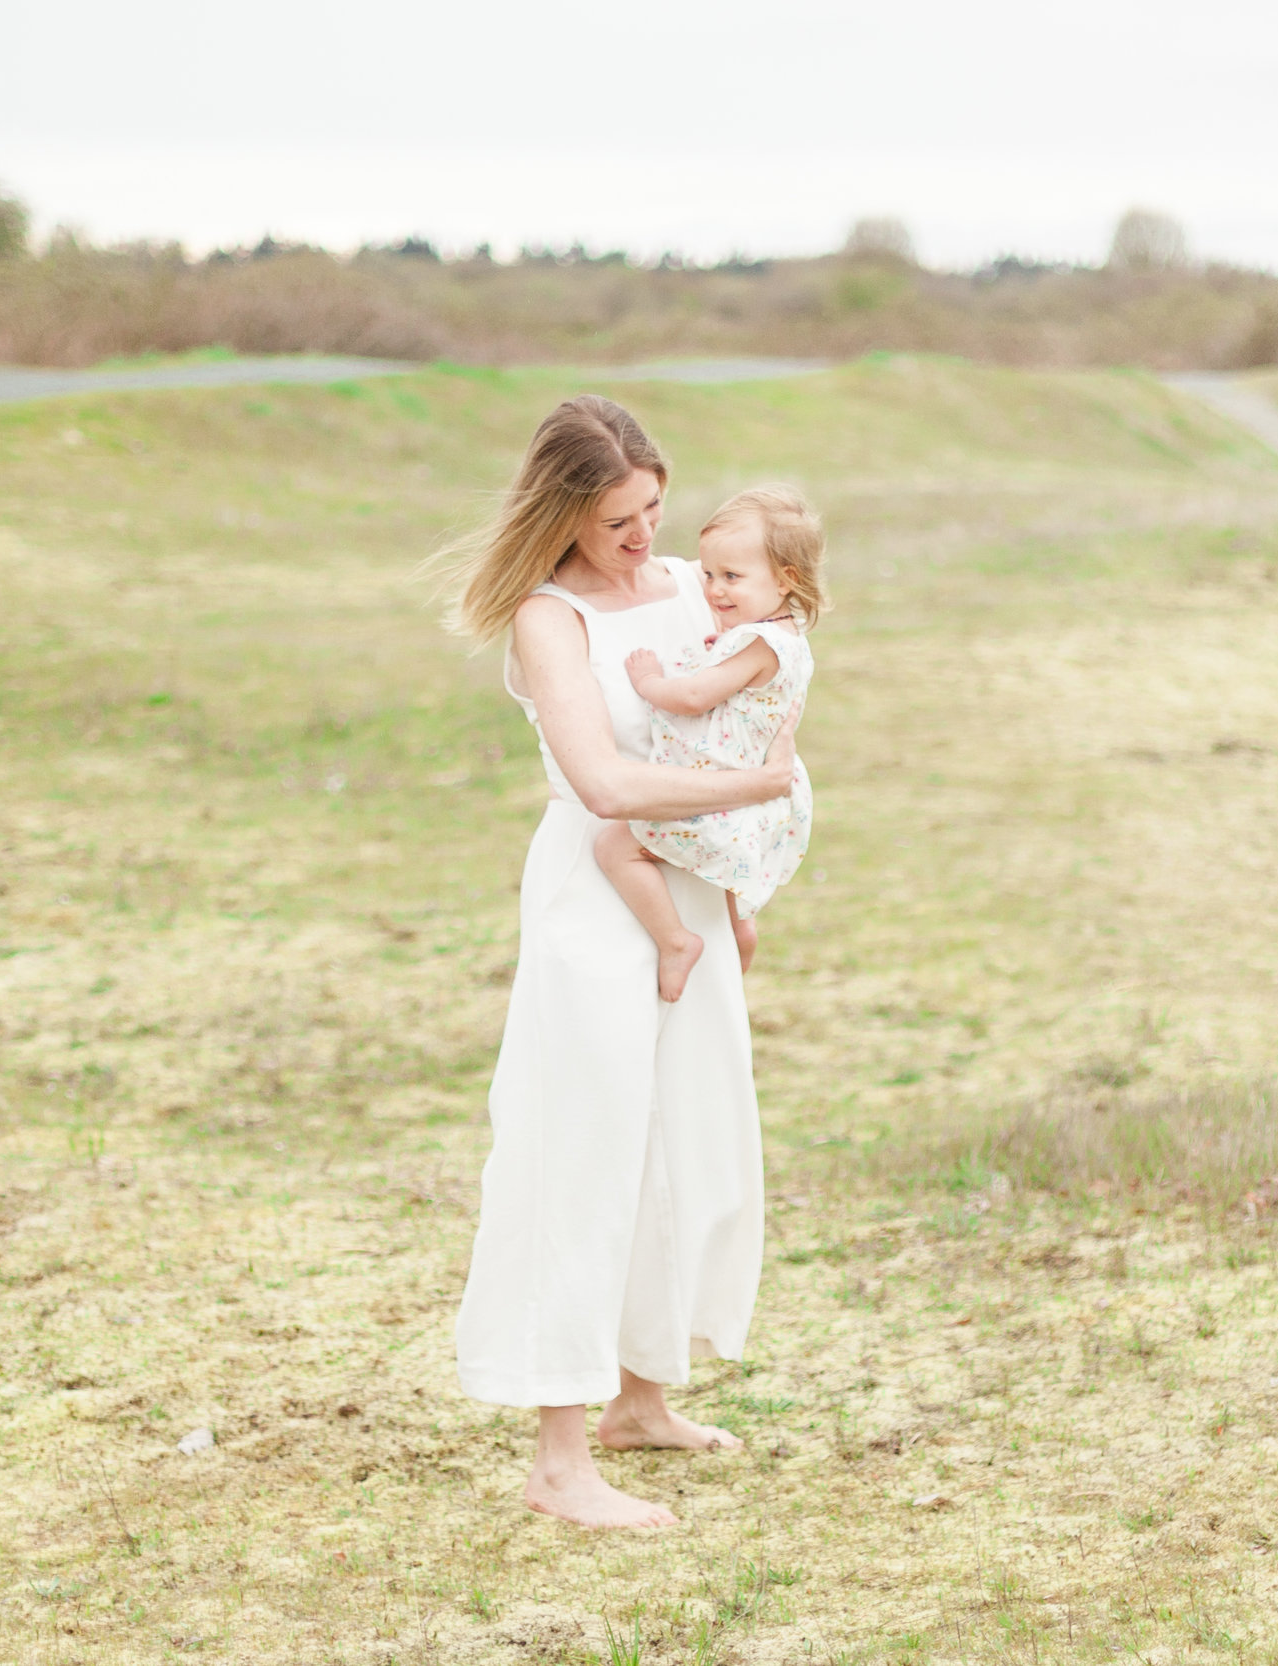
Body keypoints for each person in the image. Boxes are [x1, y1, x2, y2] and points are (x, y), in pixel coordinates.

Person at [438, 394, 791, 1529]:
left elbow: (753, 709)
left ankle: (642, 1398)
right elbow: (606, 785)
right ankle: (558, 1460)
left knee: (682, 1137)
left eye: (653, 509)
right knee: (578, 1149)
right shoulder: (549, 619)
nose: (646, 536)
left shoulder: (697, 585)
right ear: (564, 513)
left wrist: (736, 882)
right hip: (598, 898)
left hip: (691, 881)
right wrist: (752, 795)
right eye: (617, 520)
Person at [592, 485, 822, 1000]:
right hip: (755, 790)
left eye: (732, 577)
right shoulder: (786, 636)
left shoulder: (756, 642)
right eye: (711, 574)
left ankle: (675, 941)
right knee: (728, 895)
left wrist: (649, 682)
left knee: (614, 847)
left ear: (788, 579)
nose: (714, 590)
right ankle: (740, 940)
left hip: (719, 789)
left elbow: (695, 696)